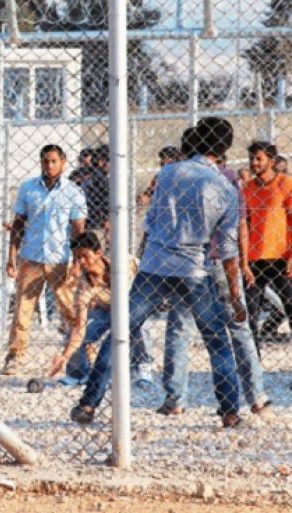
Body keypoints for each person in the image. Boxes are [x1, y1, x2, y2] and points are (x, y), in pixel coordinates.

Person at [69, 118, 247, 429]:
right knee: (217, 340)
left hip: (155, 265)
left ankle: (88, 403)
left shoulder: (168, 173)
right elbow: (228, 250)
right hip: (194, 267)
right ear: (225, 148)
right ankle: (230, 410)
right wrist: (234, 294)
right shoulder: (225, 188)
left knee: (121, 331)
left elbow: (150, 222)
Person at [156, 146, 272, 416]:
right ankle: (256, 397)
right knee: (238, 327)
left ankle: (175, 399)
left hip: (189, 261)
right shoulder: (227, 178)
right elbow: (240, 224)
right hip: (221, 259)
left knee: (180, 328)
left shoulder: (178, 178)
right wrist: (242, 262)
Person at [2, 144, 87, 375]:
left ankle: (81, 353)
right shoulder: (28, 188)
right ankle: (15, 356)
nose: (49, 166)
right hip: (31, 257)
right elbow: (18, 224)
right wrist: (12, 257)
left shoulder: (73, 192)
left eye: (54, 161)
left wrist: (78, 263)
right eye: (45, 161)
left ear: (63, 162)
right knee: (22, 310)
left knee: (70, 310)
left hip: (60, 258)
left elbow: (79, 230)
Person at [47, 232, 138, 382]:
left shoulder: (124, 263)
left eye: (85, 255)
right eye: (77, 257)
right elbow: (79, 327)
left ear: (98, 253)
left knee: (140, 325)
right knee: (73, 331)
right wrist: (65, 356)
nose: (81, 261)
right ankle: (78, 373)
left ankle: (141, 369)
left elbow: (147, 278)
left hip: (132, 308)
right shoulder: (84, 286)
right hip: (106, 311)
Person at [241, 141, 292, 344]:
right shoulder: (247, 188)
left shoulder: (285, 183)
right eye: (251, 158)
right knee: (250, 314)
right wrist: (244, 262)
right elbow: (245, 225)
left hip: (281, 258)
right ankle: (253, 360)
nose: (254, 162)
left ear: (271, 161)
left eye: (259, 158)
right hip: (254, 260)